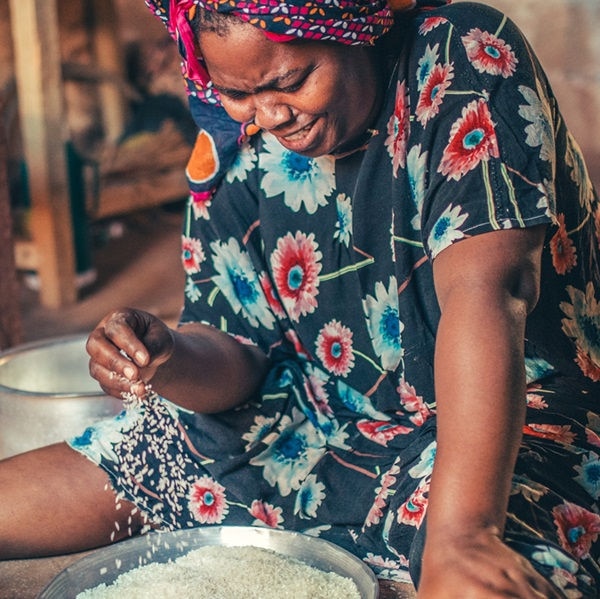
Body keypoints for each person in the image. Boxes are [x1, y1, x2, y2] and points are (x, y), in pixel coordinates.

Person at [1, 0, 599, 596]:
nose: (268, 116)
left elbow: (489, 292)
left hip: (495, 425)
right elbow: (239, 349)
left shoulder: (460, 55)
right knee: (154, 447)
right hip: (310, 422)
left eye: (290, 81)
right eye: (239, 93)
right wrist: (170, 357)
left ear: (352, 29)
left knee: (490, 570)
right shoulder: (233, 134)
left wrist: (464, 533)